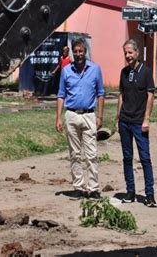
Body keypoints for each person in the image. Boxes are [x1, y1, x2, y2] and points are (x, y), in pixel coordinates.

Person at [56, 37, 105, 199]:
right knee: (75, 154)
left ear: (85, 51)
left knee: (91, 154)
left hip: (89, 115)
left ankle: (93, 188)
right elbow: (61, 95)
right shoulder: (66, 71)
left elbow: (101, 94)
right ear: (72, 52)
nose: (78, 54)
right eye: (75, 51)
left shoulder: (95, 69)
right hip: (71, 115)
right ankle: (77, 186)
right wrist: (58, 118)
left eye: (81, 51)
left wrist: (99, 116)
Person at [116, 39, 157, 207]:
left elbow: (150, 96)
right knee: (127, 158)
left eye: (130, 52)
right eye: (125, 53)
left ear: (137, 53)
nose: (127, 56)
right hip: (125, 121)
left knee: (145, 158)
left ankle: (149, 194)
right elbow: (121, 95)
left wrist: (146, 119)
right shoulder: (124, 72)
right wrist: (118, 117)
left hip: (139, 123)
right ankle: (130, 191)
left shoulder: (146, 72)